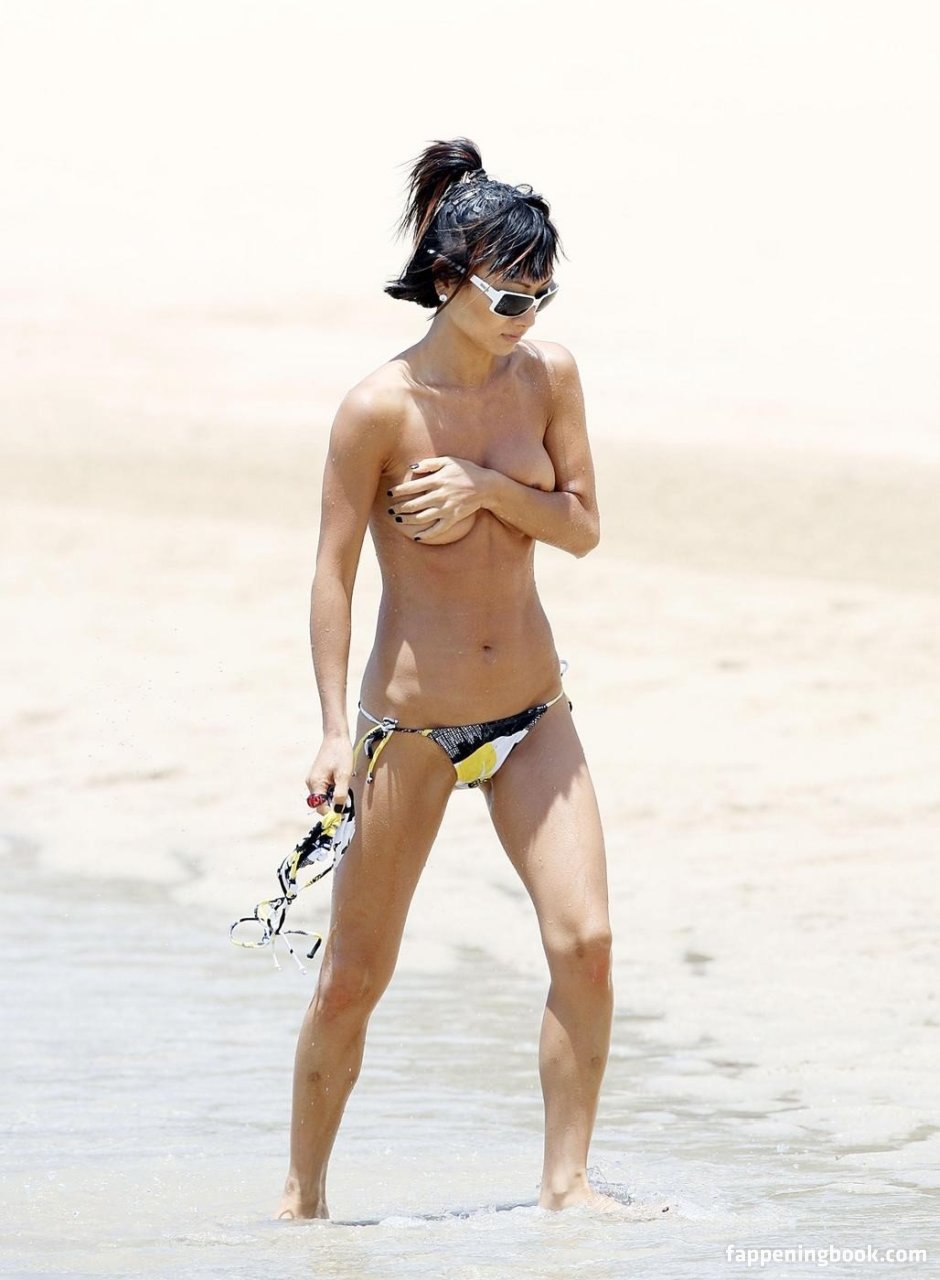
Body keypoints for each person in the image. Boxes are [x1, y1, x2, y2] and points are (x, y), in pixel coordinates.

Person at [277, 137, 616, 1220]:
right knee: (353, 978)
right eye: (508, 294)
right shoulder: (377, 409)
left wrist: (485, 487)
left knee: (586, 943)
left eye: (541, 292)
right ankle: (303, 1204)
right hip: (410, 731)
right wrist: (333, 730)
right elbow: (331, 574)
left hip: (532, 714)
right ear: (445, 279)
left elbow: (582, 527)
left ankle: (566, 1187)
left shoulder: (549, 376)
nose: (525, 312)